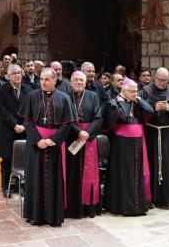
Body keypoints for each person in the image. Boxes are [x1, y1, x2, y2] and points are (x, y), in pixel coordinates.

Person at [18, 68, 73, 226]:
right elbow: (27, 121)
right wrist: (37, 140)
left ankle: (52, 216)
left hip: (54, 145)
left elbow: (66, 124)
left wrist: (54, 140)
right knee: (35, 177)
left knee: (54, 179)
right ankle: (35, 215)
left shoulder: (64, 98)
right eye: (41, 79)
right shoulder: (32, 96)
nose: (43, 82)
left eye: (47, 79)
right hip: (36, 145)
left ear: (55, 80)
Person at [104, 78, 153, 215]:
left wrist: (139, 99)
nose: (135, 94)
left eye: (136, 91)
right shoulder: (113, 103)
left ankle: (138, 206)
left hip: (137, 143)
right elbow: (114, 120)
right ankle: (123, 207)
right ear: (124, 91)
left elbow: (150, 111)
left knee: (136, 174)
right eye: (132, 91)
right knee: (124, 175)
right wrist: (119, 103)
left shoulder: (137, 103)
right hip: (121, 144)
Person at [141, 68, 169, 208]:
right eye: (160, 79)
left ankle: (166, 197)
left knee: (167, 165)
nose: (162, 82)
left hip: (167, 134)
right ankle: (151, 197)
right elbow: (138, 110)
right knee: (152, 163)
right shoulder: (146, 91)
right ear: (154, 77)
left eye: (165, 80)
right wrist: (154, 108)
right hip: (151, 133)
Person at [65, 71, 103, 218]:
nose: (79, 82)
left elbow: (98, 118)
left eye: (81, 80)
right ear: (71, 82)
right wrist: (78, 132)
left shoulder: (93, 96)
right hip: (72, 138)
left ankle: (88, 208)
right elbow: (66, 119)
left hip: (88, 140)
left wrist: (87, 133)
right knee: (72, 172)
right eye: (76, 80)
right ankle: (73, 208)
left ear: (86, 82)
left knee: (89, 173)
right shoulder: (66, 96)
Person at [0, 64, 32, 197]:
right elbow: (1, 109)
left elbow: (31, 110)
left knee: (24, 159)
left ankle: (22, 186)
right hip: (8, 130)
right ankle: (6, 187)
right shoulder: (2, 90)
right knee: (7, 160)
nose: (18, 75)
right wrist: (14, 125)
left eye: (19, 73)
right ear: (8, 76)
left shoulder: (28, 90)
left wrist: (23, 125)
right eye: (14, 73)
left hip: (24, 130)